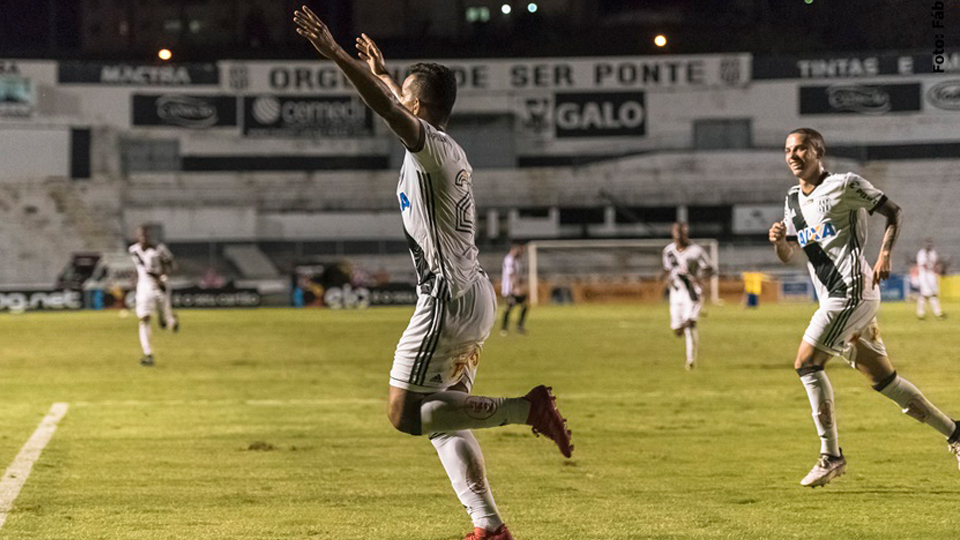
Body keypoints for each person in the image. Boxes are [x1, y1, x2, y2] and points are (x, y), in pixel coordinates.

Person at [293, 8, 573, 540]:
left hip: (446, 297)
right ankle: (488, 525)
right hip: (474, 292)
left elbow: (388, 109)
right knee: (446, 418)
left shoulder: (426, 149)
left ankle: (526, 409)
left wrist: (337, 55)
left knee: (405, 413)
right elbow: (397, 100)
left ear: (417, 107)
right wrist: (383, 70)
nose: (396, 96)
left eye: (404, 93)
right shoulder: (449, 148)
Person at [769, 128, 960, 488]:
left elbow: (894, 212)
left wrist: (885, 254)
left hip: (852, 290)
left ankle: (831, 455)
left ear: (818, 151)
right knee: (885, 381)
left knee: (806, 363)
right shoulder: (793, 200)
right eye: (788, 150)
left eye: (800, 148)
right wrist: (780, 242)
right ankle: (956, 434)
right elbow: (789, 254)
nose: (793, 155)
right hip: (834, 297)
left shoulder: (844, 185)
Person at [658, 223, 714, 370]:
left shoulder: (696, 251)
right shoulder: (668, 251)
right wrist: (663, 279)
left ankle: (690, 360)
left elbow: (710, 268)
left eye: (681, 233)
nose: (678, 236)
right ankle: (682, 325)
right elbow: (667, 269)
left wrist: (700, 277)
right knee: (677, 330)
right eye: (676, 233)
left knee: (691, 325)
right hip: (676, 293)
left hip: (692, 291)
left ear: (686, 233)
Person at [128, 225, 178, 366]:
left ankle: (171, 320)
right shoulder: (134, 250)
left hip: (159, 286)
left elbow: (172, 264)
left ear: (149, 236)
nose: (143, 237)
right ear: (137, 236)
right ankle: (148, 353)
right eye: (141, 235)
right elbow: (138, 268)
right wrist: (134, 278)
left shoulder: (158, 249)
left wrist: (163, 276)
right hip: (143, 288)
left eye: (146, 235)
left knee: (167, 321)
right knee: (144, 318)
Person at [500, 242, 529, 336]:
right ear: (514, 249)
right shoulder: (509, 259)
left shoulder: (516, 260)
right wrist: (515, 287)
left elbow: (516, 274)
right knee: (509, 306)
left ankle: (519, 326)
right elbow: (511, 274)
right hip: (509, 288)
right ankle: (504, 328)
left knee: (524, 305)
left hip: (514, 287)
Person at [916, 238, 946, 320]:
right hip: (924, 275)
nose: (929, 245)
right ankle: (935, 313)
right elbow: (923, 265)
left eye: (930, 244)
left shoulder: (933, 253)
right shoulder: (921, 253)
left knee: (930, 294)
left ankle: (923, 313)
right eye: (927, 244)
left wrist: (937, 271)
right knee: (927, 295)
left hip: (931, 275)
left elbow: (935, 264)